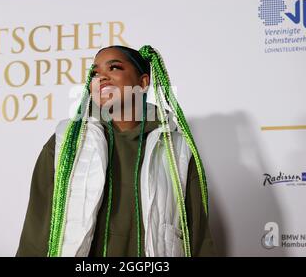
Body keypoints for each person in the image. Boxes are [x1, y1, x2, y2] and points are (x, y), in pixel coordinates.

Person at [16, 45, 216, 257]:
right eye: (95, 72)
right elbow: (36, 228)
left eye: (114, 68)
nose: (100, 77)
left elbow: (198, 235)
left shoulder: (177, 149)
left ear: (143, 82)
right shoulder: (66, 141)